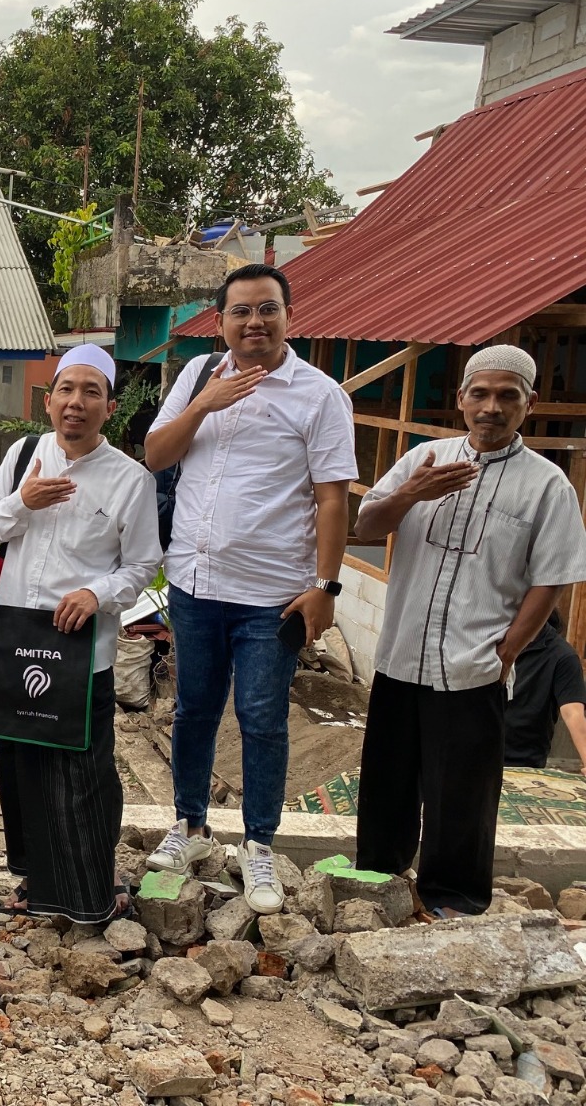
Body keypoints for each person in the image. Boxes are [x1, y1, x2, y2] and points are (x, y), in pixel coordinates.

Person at [142, 264, 356, 914]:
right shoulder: (196, 376)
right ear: (223, 321)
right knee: (192, 712)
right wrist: (204, 403)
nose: (254, 322)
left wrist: (326, 586)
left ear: (288, 316)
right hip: (195, 587)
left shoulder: (319, 396)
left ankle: (258, 845)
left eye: (267, 310)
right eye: (240, 312)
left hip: (274, 597)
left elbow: (331, 498)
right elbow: (156, 455)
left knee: (262, 720)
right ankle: (190, 828)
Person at [353, 345, 586, 915]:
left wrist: (508, 651)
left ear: (527, 405)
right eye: (480, 393)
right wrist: (413, 494)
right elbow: (364, 525)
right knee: (387, 782)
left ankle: (453, 900)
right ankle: (376, 882)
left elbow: (550, 579)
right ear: (461, 399)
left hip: (473, 665)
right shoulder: (422, 459)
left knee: (463, 793)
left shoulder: (546, 485)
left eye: (508, 395)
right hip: (400, 655)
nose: (491, 407)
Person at [0, 345, 162, 921]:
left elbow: (141, 565)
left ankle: (87, 896)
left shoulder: (129, 479)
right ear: (49, 399)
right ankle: (35, 882)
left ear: (109, 406)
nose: (75, 403)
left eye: (90, 392)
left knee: (81, 773)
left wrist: (96, 594)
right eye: (66, 390)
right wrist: (22, 502)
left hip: (81, 653)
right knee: (19, 766)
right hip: (16, 639)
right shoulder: (23, 455)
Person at [505, 611, 586, 769]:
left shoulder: (562, 656)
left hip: (522, 763)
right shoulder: (489, 643)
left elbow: (573, 712)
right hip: (474, 753)